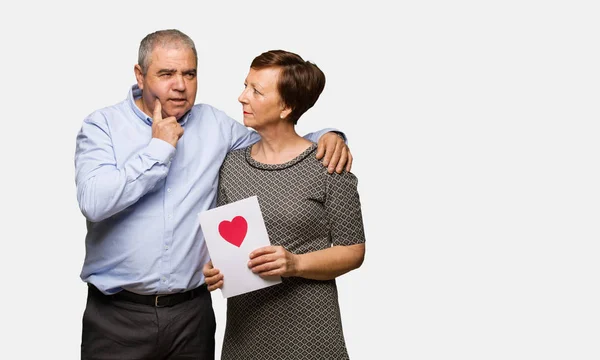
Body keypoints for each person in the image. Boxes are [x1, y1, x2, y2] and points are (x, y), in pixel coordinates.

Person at [74, 30, 352, 360]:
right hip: (117, 317)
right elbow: (94, 202)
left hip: (192, 316)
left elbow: (276, 142)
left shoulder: (215, 125)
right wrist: (159, 149)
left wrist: (328, 136)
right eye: (166, 74)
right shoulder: (102, 125)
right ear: (140, 75)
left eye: (189, 74)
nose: (180, 84)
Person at [203, 50, 366, 359]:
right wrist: (216, 268)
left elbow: (354, 251)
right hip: (245, 336)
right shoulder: (231, 165)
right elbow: (227, 245)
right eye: (245, 85)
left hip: (311, 336)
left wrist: (296, 264)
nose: (241, 97)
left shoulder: (328, 164)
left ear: (286, 107)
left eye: (256, 91)